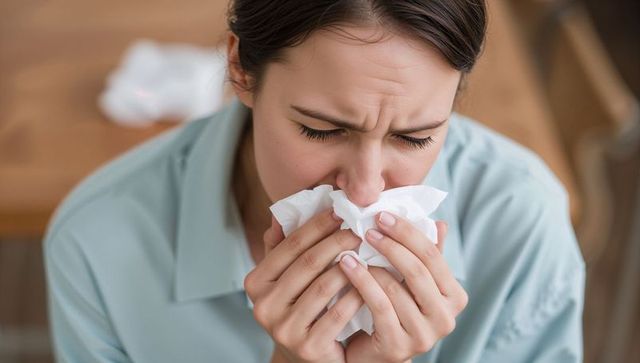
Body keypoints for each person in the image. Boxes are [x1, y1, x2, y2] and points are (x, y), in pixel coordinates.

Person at [43, 1, 586, 362]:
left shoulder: (522, 223)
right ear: (240, 69)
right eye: (321, 130)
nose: (365, 190)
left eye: (415, 138)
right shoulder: (97, 244)